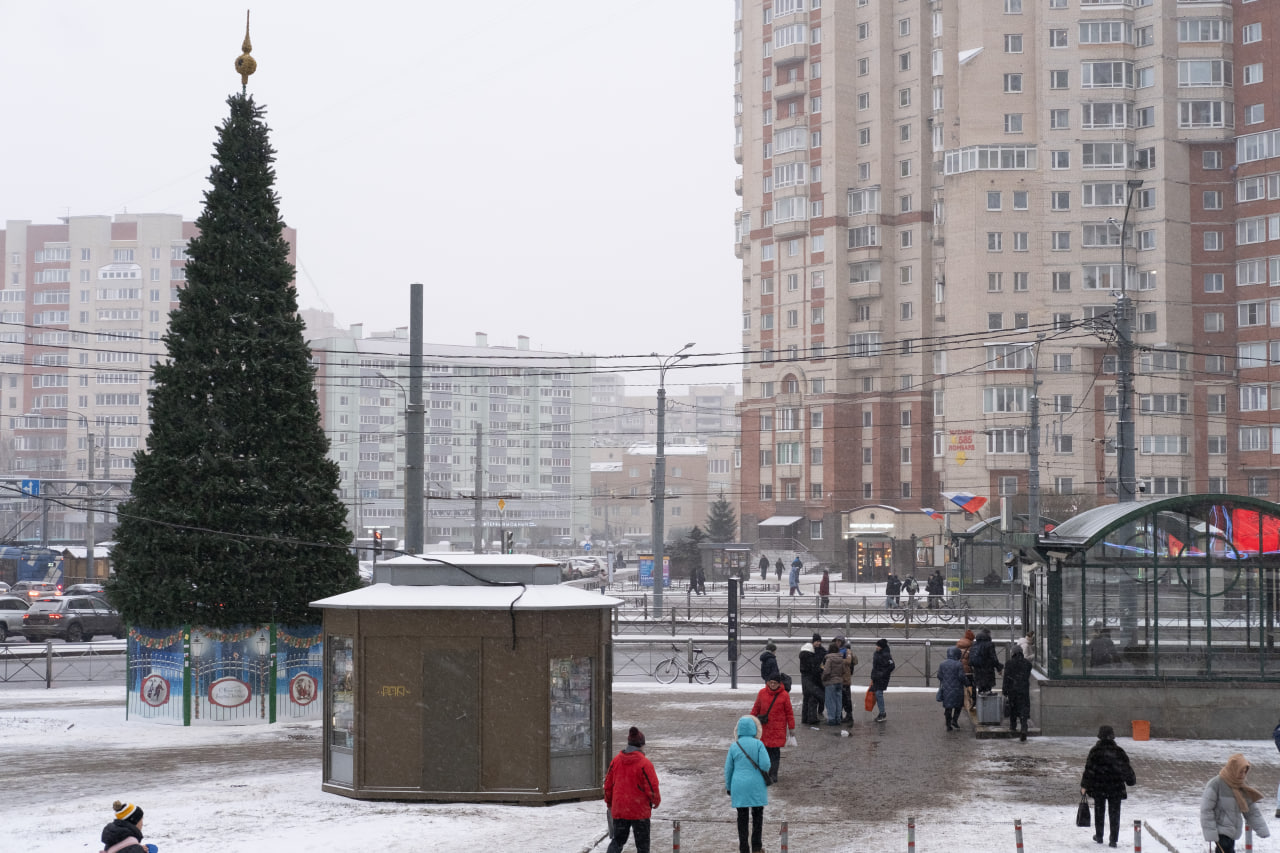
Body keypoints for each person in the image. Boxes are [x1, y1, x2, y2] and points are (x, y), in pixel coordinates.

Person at [605, 726, 661, 853]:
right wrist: (656, 801)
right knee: (642, 846)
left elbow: (608, 785)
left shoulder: (615, 761)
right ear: (641, 745)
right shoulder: (645, 764)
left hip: (620, 809)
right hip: (639, 811)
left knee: (617, 841)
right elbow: (652, 787)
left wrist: (609, 803)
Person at [1201, 753, 1270, 853]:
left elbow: (1251, 811)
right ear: (1233, 769)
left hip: (1233, 833)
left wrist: (1262, 829)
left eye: (1245, 772)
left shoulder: (1241, 786)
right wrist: (1211, 833)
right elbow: (1206, 809)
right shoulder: (1216, 784)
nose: (1243, 775)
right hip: (1220, 832)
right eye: (1240, 771)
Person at [1081, 725, 1136, 848]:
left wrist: (1084, 786)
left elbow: (1089, 770)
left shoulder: (1095, 751)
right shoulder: (1118, 751)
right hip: (1115, 787)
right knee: (1115, 813)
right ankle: (1113, 840)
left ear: (1099, 736)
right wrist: (1131, 780)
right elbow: (1126, 768)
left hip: (1099, 787)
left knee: (1099, 811)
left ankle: (1099, 836)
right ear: (1112, 736)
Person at [725, 715, 770, 853]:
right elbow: (765, 764)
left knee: (742, 818)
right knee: (757, 816)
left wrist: (728, 787)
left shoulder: (734, 746)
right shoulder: (759, 744)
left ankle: (744, 848)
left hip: (739, 786)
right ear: (754, 729)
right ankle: (757, 847)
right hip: (756, 785)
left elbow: (728, 769)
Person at [750, 676, 795, 784]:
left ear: (779, 684)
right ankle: (764, 773)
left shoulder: (784, 695)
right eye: (771, 682)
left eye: (775, 683)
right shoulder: (762, 693)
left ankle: (773, 774)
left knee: (774, 753)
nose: (773, 685)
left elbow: (789, 712)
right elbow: (756, 708)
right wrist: (750, 721)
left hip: (778, 729)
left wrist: (791, 727)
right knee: (764, 752)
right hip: (764, 728)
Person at [1002, 646, 1033, 741]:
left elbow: (1006, 678)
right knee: (1024, 708)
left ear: (1013, 653)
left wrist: (1005, 689)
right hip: (1023, 690)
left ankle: (1013, 726)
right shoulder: (1027, 664)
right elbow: (1027, 676)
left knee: (1013, 708)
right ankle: (1024, 727)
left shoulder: (1009, 663)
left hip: (1012, 690)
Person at [936, 646, 966, 732]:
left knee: (948, 707)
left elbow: (939, 676)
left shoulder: (942, 664)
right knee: (958, 706)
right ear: (957, 654)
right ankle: (955, 720)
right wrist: (967, 683)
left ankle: (948, 724)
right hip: (957, 689)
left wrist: (946, 680)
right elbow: (961, 676)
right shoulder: (959, 664)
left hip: (946, 689)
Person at [820, 635, 848, 726]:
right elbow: (844, 671)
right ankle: (838, 718)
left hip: (830, 682)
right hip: (839, 682)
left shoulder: (829, 659)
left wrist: (823, 678)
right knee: (838, 701)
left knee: (830, 701)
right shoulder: (841, 659)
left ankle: (831, 719)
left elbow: (827, 671)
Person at [798, 634, 825, 726]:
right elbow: (814, 669)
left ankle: (805, 718)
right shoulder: (810, 657)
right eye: (816, 641)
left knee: (806, 699)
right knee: (813, 699)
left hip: (805, 681)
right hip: (811, 680)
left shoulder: (802, 656)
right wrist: (821, 669)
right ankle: (812, 718)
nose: (818, 643)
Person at [968, 627, 1003, 695]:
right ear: (988, 634)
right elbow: (993, 658)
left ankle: (981, 694)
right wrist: (999, 668)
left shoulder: (975, 644)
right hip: (987, 669)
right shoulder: (989, 644)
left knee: (981, 689)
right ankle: (987, 695)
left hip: (977, 669)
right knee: (987, 689)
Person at [869, 638, 895, 722]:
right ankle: (881, 713)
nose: (876, 647)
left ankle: (882, 713)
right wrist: (873, 676)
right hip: (876, 677)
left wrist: (883, 673)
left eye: (878, 646)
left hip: (882, 678)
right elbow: (875, 666)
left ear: (882, 647)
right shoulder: (877, 653)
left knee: (878, 693)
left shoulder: (886, 655)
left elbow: (892, 666)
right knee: (877, 694)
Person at [838, 635, 858, 723]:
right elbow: (855, 662)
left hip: (844, 679)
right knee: (845, 698)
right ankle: (847, 715)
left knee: (843, 698)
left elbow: (850, 662)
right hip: (846, 678)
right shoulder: (849, 654)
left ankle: (844, 715)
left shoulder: (847, 653)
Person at [957, 629, 977, 709]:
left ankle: (961, 702)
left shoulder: (958, 645)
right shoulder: (971, 647)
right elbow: (972, 660)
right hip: (968, 671)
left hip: (959, 669)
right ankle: (972, 701)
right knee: (971, 685)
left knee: (960, 686)